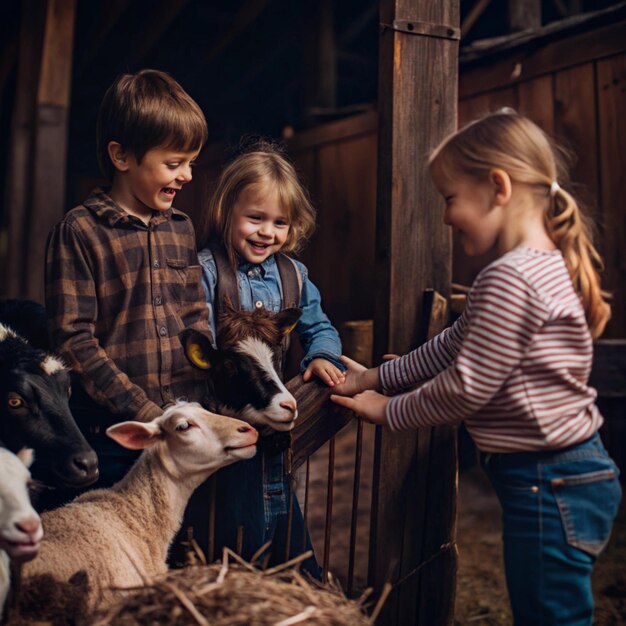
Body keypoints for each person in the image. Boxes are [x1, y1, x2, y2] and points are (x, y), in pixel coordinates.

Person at [331, 110, 622, 625]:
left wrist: (388, 410)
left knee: (550, 618)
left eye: (449, 198)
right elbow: (450, 347)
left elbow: (465, 387)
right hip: (563, 476)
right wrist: (371, 378)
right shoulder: (533, 268)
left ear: (497, 186)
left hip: (548, 480)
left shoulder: (511, 278)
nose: (445, 216)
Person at [45, 69, 210, 496]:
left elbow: (195, 315)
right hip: (115, 435)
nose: (187, 175)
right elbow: (74, 341)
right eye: (174, 164)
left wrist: (202, 396)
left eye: (190, 162)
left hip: (184, 426)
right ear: (121, 157)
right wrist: (144, 412)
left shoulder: (182, 228)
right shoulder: (79, 232)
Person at [193, 141, 345, 573]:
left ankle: (289, 575)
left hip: (275, 414)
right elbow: (199, 346)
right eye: (255, 218)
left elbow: (319, 326)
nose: (267, 233)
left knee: (276, 488)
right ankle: (241, 572)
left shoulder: (294, 276)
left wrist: (321, 356)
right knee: (237, 505)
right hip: (230, 415)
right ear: (227, 212)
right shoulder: (206, 272)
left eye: (280, 222)